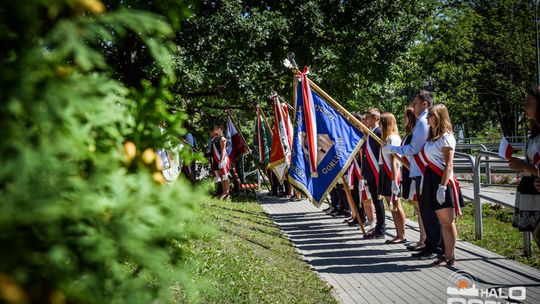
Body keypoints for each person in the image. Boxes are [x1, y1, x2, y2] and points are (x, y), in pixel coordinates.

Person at [387, 91, 443, 259]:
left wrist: (394, 149)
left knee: (429, 211)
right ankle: (430, 244)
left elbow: (414, 148)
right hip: (420, 171)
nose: (413, 107)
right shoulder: (421, 121)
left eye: (416, 104)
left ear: (425, 104)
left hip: (425, 171)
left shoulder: (423, 122)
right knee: (425, 210)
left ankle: (436, 247)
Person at [421, 104, 463, 266]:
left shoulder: (446, 137)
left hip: (442, 181)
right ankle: (446, 254)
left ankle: (450, 256)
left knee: (447, 221)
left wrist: (442, 186)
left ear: (439, 116)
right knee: (442, 221)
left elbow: (449, 165)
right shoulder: (434, 137)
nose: (427, 118)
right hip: (432, 180)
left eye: (430, 115)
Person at [509, 86, 540, 251]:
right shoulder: (535, 130)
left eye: (529, 102)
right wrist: (522, 166)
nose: (525, 106)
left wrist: (523, 166)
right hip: (532, 193)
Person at [378, 112, 407, 244]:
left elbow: (394, 161)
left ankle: (402, 234)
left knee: (396, 204)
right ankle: (398, 234)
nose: (379, 125)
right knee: (392, 205)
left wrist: (394, 181)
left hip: (392, 173)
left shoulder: (392, 139)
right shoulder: (386, 138)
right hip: (386, 171)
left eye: (381, 122)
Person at [401, 107, 426, 251]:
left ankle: (424, 239)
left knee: (420, 207)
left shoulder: (413, 135)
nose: (404, 118)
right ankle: (422, 238)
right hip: (409, 172)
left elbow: (412, 152)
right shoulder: (408, 134)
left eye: (405, 116)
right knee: (417, 207)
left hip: (414, 171)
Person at [362, 108, 386, 239]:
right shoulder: (370, 132)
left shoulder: (378, 132)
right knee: (376, 201)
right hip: (370, 172)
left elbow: (379, 154)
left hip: (376, 172)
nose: (366, 120)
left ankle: (381, 229)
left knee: (378, 201)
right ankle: (378, 226)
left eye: (368, 118)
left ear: (376, 118)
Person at [211, 124, 231, 199]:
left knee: (225, 176)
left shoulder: (222, 138)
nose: (214, 129)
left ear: (220, 129)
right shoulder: (216, 138)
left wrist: (221, 160)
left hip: (222, 159)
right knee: (221, 176)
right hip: (217, 159)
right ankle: (224, 192)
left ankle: (228, 193)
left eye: (215, 128)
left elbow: (223, 150)